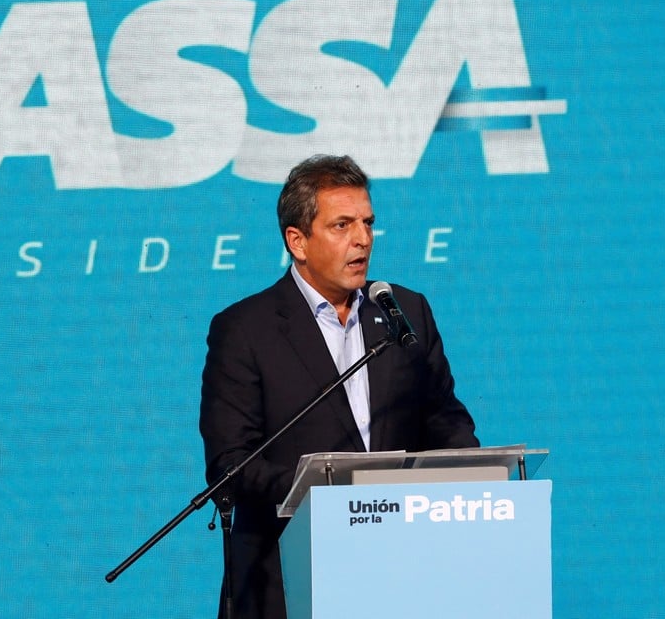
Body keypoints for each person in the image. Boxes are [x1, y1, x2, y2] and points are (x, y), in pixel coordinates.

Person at [199, 154, 480, 619]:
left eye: (368, 223)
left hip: (402, 568)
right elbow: (232, 463)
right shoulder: (246, 330)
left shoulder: (403, 312)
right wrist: (338, 495)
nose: (362, 239)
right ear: (298, 241)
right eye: (342, 225)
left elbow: (446, 420)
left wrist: (469, 475)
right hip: (292, 576)